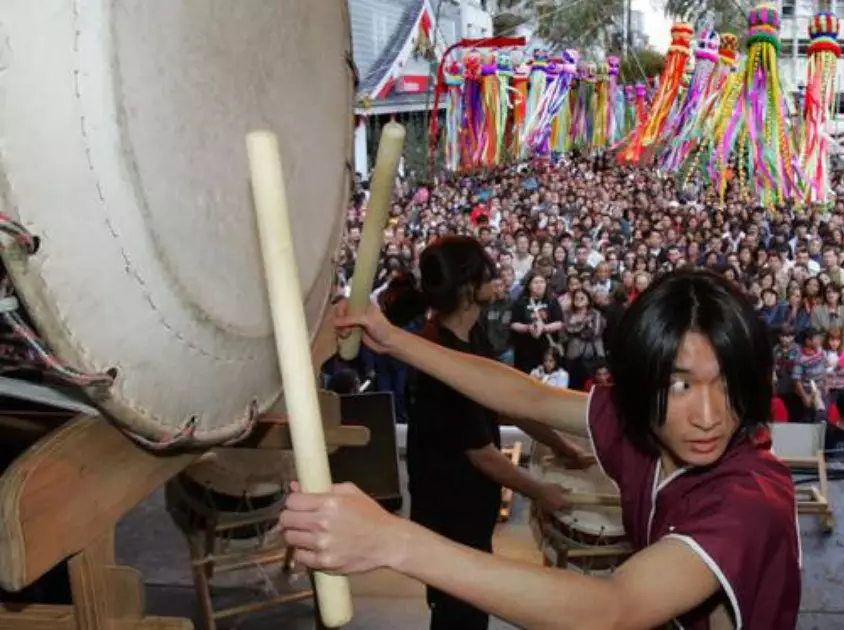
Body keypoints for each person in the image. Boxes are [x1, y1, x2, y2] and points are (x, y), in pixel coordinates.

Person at [281, 269, 802, 629]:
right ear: (642, 381)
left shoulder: (749, 499)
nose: (709, 417)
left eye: (727, 382)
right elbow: (526, 395)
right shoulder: (646, 422)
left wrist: (391, 541)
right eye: (682, 385)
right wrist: (395, 340)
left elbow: (613, 609)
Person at [387, 236, 582, 630]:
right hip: (449, 505)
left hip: (465, 503)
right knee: (460, 613)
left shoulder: (466, 335)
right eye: (489, 273)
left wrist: (560, 445)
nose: (497, 280)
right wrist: (541, 491)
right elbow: (481, 453)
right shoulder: (441, 355)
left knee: (463, 608)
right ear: (467, 289)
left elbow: (507, 397)